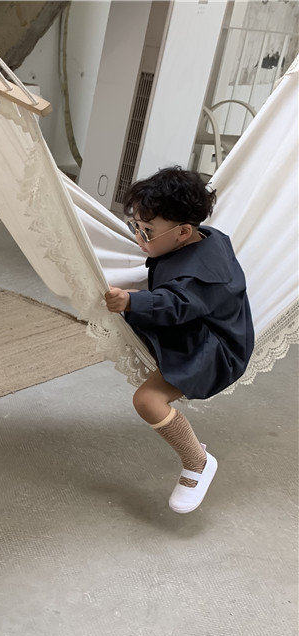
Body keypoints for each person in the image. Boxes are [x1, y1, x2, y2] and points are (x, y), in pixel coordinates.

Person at [104, 167, 254, 513]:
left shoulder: (203, 275)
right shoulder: (205, 236)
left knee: (148, 400)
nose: (139, 237)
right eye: (134, 226)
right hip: (197, 328)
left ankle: (198, 462)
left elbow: (178, 302)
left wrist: (131, 301)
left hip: (215, 350)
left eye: (147, 231)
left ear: (183, 232)